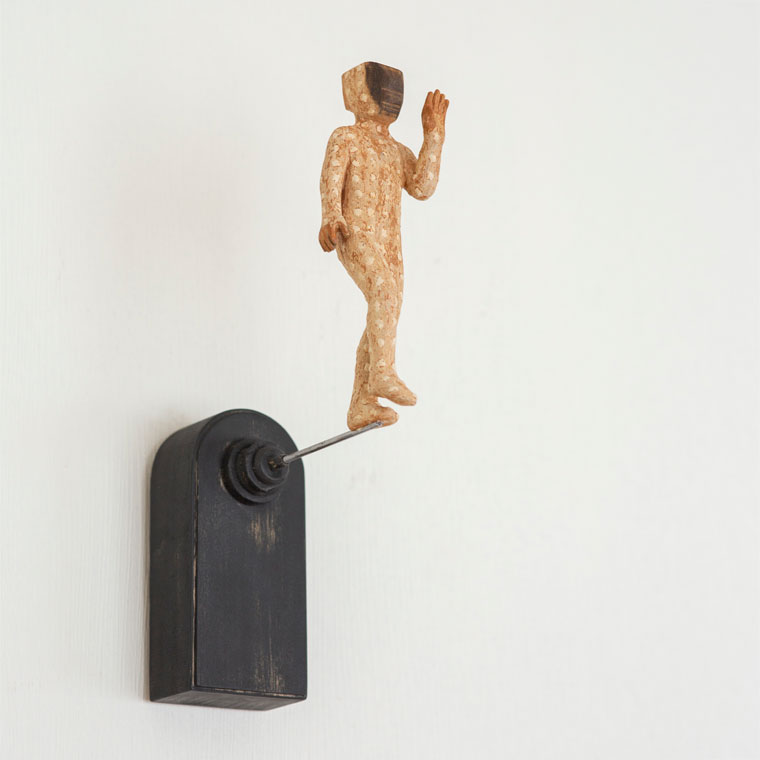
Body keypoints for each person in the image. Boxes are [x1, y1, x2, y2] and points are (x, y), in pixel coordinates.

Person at [319, 61, 449, 430]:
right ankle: (382, 372)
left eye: (396, 93)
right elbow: (331, 178)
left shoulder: (396, 150)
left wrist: (434, 135)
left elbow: (422, 186)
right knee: (384, 293)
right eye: (384, 90)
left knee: (385, 311)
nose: (391, 98)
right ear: (357, 93)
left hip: (390, 243)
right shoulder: (346, 137)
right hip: (354, 232)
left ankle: (362, 403)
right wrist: (331, 216)